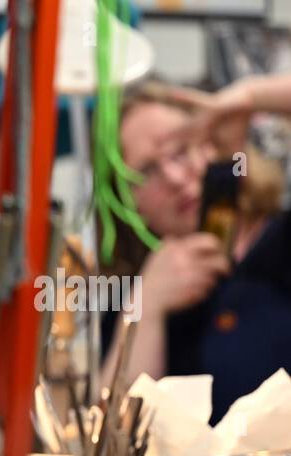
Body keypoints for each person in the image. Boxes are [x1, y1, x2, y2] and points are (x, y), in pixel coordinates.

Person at [101, 74, 291, 421]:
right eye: (145, 172)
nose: (175, 177)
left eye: (180, 149)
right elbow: (115, 443)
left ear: (214, 143)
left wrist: (249, 96)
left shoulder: (281, 243)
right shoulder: (132, 291)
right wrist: (146, 307)